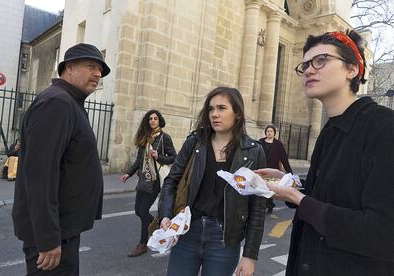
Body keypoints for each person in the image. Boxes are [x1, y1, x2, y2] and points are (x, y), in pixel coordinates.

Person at [256, 30, 394, 275]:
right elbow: (336, 193)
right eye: (306, 64)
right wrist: (291, 183)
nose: (309, 69)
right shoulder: (330, 129)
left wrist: (302, 201)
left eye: (321, 60)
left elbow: (382, 231)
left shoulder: (384, 127)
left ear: (352, 70)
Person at [12, 43, 110, 275]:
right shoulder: (58, 103)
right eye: (91, 66)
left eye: (101, 69)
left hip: (62, 230)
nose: (98, 73)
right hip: (53, 237)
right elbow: (40, 176)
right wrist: (48, 239)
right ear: (69, 68)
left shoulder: (68, 102)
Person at [159, 87, 266, 276]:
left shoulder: (253, 151)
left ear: (238, 114)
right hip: (187, 232)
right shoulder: (195, 142)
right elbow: (171, 181)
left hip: (224, 239)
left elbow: (257, 208)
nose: (214, 114)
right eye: (211, 109)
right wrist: (166, 214)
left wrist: (250, 256)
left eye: (222, 108)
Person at [121, 110, 176, 257]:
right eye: (150, 119)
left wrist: (159, 157)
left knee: (143, 211)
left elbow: (173, 158)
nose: (152, 121)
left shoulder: (165, 138)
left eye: (155, 118)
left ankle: (142, 244)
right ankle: (158, 226)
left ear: (159, 121)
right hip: (143, 179)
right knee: (138, 211)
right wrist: (129, 173)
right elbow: (139, 161)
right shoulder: (145, 139)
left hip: (155, 181)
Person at [259, 125, 292, 213]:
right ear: (265, 132)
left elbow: (284, 159)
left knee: (270, 189)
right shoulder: (260, 142)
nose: (269, 133)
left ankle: (270, 205)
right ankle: (262, 205)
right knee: (261, 188)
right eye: (268, 131)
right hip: (261, 169)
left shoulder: (278, 145)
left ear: (274, 133)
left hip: (273, 171)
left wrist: (289, 172)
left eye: (271, 131)